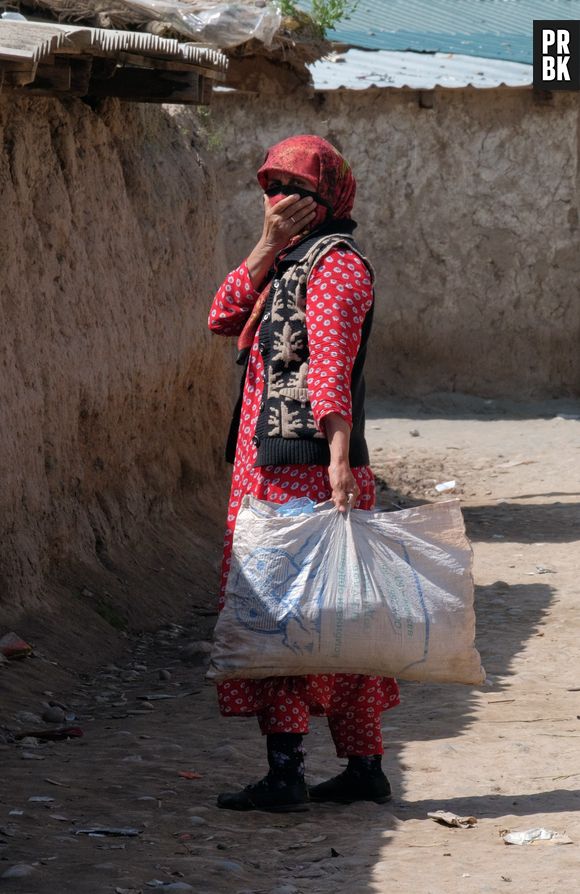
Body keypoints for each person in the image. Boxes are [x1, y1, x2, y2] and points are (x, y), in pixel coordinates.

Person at [207, 135, 399, 812]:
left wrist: (342, 467)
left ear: (327, 201)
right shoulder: (285, 263)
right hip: (272, 470)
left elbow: (329, 376)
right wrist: (262, 246)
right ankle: (361, 768)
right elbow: (222, 314)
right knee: (315, 620)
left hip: (307, 477)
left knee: (290, 619)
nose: (277, 203)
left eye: (292, 191)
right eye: (270, 189)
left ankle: (291, 773)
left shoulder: (336, 268)